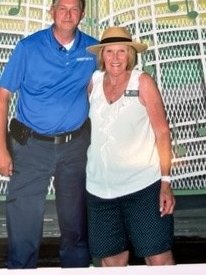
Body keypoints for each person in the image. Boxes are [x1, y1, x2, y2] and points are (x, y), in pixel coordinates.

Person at [0, 0, 98, 269]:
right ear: (52, 12)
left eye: (74, 9)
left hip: (75, 147)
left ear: (82, 15)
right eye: (62, 8)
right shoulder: (28, 48)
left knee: (76, 223)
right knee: (24, 223)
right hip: (31, 146)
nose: (68, 15)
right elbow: (2, 97)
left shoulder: (93, 50)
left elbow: (98, 91)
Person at [85, 26, 175, 266]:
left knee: (158, 258)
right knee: (112, 262)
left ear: (130, 54)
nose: (115, 57)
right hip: (100, 190)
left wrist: (165, 183)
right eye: (109, 51)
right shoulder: (93, 82)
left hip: (143, 186)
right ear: (102, 55)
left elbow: (162, 132)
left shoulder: (143, 82)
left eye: (121, 51)